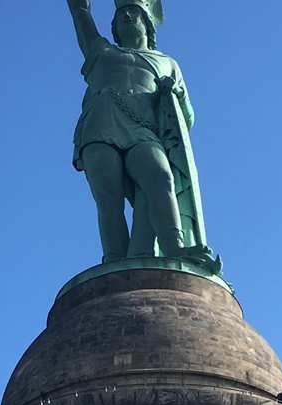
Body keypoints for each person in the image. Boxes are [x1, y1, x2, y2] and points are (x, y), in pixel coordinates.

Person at [66, 0, 215, 266]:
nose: (125, 15)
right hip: (100, 123)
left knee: (160, 176)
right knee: (108, 197)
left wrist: (175, 93)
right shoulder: (100, 51)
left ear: (146, 22)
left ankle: (174, 247)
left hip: (143, 129)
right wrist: (79, 8)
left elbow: (188, 116)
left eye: (132, 11)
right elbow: (81, 17)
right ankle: (114, 260)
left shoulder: (168, 63)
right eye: (120, 13)